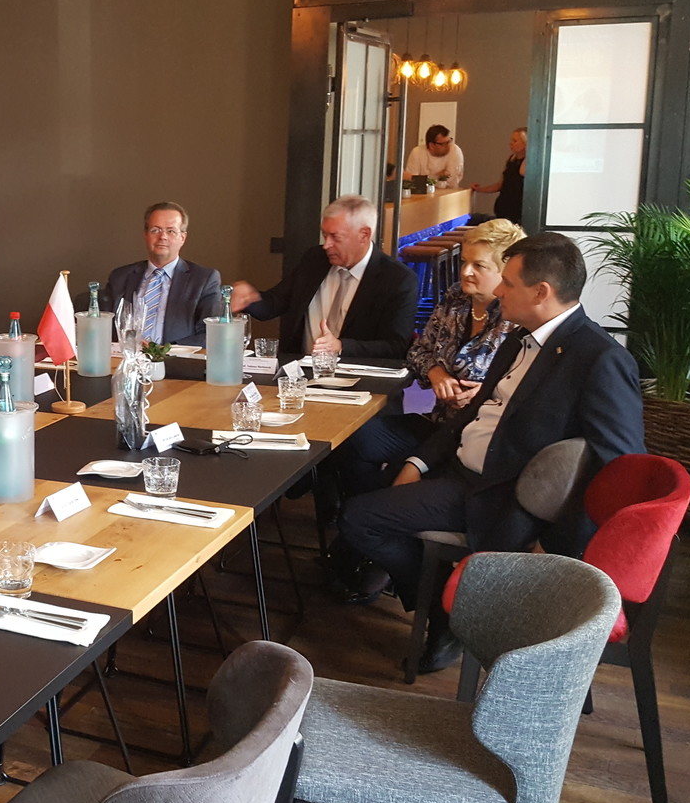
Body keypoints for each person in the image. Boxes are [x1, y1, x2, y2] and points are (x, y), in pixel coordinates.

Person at [338, 232, 645, 669]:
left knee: (360, 518)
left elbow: (621, 469)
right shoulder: (519, 339)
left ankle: (447, 614)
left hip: (500, 494)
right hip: (460, 471)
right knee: (369, 490)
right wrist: (418, 461)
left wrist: (556, 544)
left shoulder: (599, 358)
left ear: (541, 292)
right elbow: (471, 415)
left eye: (509, 283)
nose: (498, 291)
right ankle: (446, 605)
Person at [330, 220, 525, 603]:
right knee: (356, 439)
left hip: (467, 436)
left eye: (480, 265)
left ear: (505, 272)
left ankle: (377, 550)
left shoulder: (517, 319)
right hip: (430, 417)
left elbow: (512, 389)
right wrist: (436, 374)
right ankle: (372, 543)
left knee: (381, 488)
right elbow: (418, 351)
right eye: (465, 261)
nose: (466, 272)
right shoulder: (455, 298)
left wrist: (482, 394)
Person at [229, 196, 417, 360]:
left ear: (364, 234)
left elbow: (396, 346)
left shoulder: (397, 279)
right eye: (325, 235)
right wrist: (250, 299)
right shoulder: (315, 259)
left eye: (335, 237)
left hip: (359, 378)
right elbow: (276, 302)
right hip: (301, 374)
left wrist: (341, 346)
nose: (326, 245)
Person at [104, 201, 223, 347]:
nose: (163, 237)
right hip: (125, 357)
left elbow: (210, 333)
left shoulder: (204, 279)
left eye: (171, 231)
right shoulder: (120, 276)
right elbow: (104, 326)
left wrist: (161, 350)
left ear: (183, 238)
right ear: (145, 235)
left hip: (175, 359)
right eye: (155, 230)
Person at [470, 127, 527, 224]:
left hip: (518, 209)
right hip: (504, 207)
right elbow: (500, 185)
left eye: (515, 141)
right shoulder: (511, 160)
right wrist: (480, 189)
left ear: (525, 143)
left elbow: (522, 173)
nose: (511, 143)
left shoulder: (527, 163)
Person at [402, 124, 465, 188]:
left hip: (449, 192)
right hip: (422, 193)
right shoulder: (417, 152)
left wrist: (423, 179)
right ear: (431, 145)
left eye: (449, 141)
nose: (447, 146)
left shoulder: (455, 151)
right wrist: (438, 177)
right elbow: (410, 180)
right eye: (443, 144)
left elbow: (452, 181)